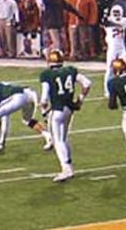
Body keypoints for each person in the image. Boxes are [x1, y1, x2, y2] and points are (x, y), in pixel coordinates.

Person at [39, 49, 92, 182]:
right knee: (63, 138)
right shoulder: (70, 70)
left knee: (57, 140)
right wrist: (80, 99)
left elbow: (44, 98)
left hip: (57, 110)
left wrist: (44, 112)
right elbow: (87, 84)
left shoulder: (47, 74)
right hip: (69, 108)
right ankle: (69, 166)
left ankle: (66, 169)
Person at [0, 81, 51, 153]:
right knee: (27, 120)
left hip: (19, 97)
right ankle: (48, 136)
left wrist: (2, 141)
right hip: (29, 94)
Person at [103, 3, 126, 96]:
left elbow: (115, 23)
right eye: (115, 12)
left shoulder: (124, 20)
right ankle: (107, 91)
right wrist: (105, 18)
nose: (116, 14)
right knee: (110, 69)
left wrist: (106, 18)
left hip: (122, 48)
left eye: (118, 12)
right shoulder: (108, 20)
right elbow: (105, 24)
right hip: (112, 48)